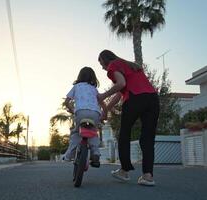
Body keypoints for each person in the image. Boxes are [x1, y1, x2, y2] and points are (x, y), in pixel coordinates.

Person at [97, 50, 160, 186]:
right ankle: (148, 176)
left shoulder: (113, 65)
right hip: (153, 100)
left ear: (105, 59)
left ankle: (124, 171)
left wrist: (102, 96)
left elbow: (121, 84)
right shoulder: (131, 66)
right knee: (147, 138)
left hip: (135, 98)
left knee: (124, 134)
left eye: (101, 63)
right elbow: (120, 93)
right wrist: (106, 110)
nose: (102, 67)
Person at [62, 66, 106, 168]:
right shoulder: (94, 89)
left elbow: (66, 102)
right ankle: (95, 153)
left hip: (81, 112)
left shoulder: (77, 87)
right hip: (95, 113)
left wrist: (73, 110)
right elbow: (103, 105)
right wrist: (104, 115)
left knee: (76, 132)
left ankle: (69, 155)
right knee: (94, 133)